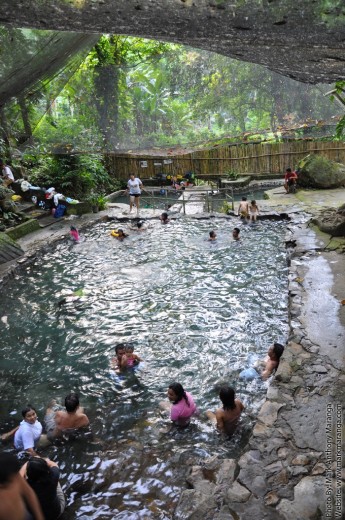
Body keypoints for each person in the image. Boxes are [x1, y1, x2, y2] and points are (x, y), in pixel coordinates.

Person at [0, 452, 44, 520]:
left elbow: (28, 493)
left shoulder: (9, 472)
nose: (17, 482)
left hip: (25, 515)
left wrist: (39, 517)